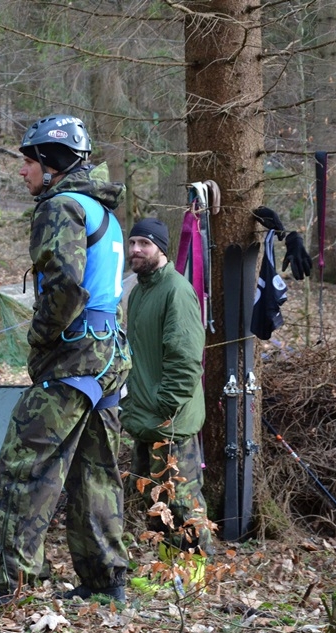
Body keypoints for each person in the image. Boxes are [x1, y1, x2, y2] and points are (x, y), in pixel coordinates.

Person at [0, 114, 132, 609]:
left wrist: (40, 339)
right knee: (95, 471)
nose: (22, 171)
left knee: (22, 465)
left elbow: (65, 286)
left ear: (51, 164)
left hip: (73, 358)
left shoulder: (61, 208)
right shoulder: (105, 213)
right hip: (108, 356)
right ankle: (105, 581)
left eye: (28, 161)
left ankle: (3, 585)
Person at [121, 218, 211, 589]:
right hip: (145, 417)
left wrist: (165, 405)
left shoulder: (176, 290)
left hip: (170, 420)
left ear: (161, 249)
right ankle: (167, 572)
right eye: (133, 243)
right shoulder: (140, 291)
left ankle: (194, 575)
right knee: (155, 501)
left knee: (182, 501)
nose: (136, 250)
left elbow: (187, 356)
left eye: (144, 243)